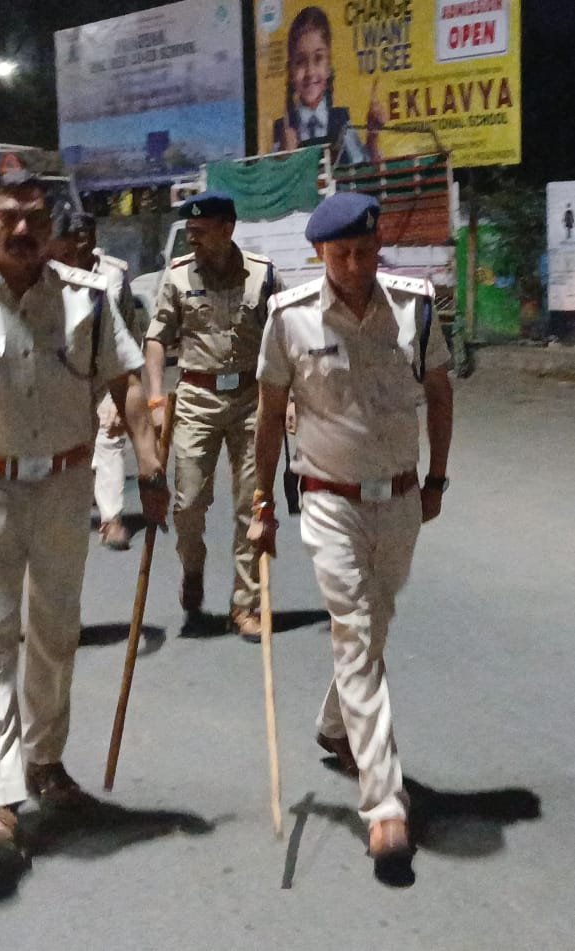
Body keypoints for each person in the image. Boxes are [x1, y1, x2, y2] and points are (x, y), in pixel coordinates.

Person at [0, 171, 169, 869]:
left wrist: (148, 464)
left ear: (51, 224)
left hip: (61, 488)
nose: (21, 229)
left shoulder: (86, 298)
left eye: (35, 217)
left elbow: (124, 383)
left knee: (54, 633)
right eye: (7, 217)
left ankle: (46, 762)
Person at [249, 192, 453, 873]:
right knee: (356, 633)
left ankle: (335, 725)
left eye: (364, 251)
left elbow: (440, 389)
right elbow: (269, 408)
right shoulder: (288, 317)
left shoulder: (413, 307)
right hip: (328, 500)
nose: (355, 265)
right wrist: (260, 500)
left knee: (378, 618)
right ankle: (383, 802)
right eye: (340, 254)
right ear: (318, 255)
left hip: (397, 497)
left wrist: (436, 479)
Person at [143, 192, 282, 640]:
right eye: (190, 233)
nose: (193, 240)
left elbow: (283, 339)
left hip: (249, 399)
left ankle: (245, 604)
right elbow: (156, 339)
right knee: (186, 503)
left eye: (201, 233)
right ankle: (193, 567)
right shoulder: (179, 277)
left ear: (228, 229)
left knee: (250, 503)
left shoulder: (262, 275)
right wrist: (155, 400)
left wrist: (289, 398)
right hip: (196, 401)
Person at [49, 206, 140, 551]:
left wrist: (129, 377)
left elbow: (128, 325)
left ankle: (112, 520)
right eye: (74, 237)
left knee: (110, 438)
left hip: (104, 371)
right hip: (63, 375)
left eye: (87, 235)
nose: (82, 243)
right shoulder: (47, 276)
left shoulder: (113, 276)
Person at [272, 5, 382, 165]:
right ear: (290, 71)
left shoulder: (341, 120)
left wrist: (372, 136)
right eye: (300, 62)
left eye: (318, 59)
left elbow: (363, 167)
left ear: (329, 66)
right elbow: (268, 182)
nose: (310, 72)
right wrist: (282, 158)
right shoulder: (282, 130)